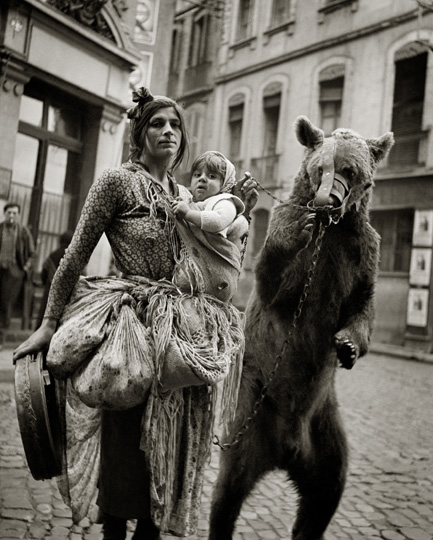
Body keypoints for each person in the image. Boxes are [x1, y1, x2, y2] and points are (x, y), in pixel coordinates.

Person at [13, 87, 258, 540]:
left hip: (181, 334)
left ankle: (151, 527)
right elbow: (74, 255)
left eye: (175, 125)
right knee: (126, 447)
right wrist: (48, 323)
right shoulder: (116, 182)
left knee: (166, 451)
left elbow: (219, 250)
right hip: (133, 333)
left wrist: (239, 209)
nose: (168, 131)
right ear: (138, 134)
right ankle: (113, 531)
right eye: (156, 124)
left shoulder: (187, 194)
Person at [0, 202, 35, 349]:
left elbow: (32, 254)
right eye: (9, 213)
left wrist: (25, 269)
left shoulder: (23, 232)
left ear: (18, 215)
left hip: (14, 274)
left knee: (6, 305)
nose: (12, 216)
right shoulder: (0, 228)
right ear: (5, 214)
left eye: (15, 213)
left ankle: (0, 339)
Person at [36, 231, 74, 328]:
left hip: (50, 290)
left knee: (45, 313)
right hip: (66, 292)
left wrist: (45, 282)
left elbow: (44, 270)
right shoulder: (73, 256)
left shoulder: (54, 254)